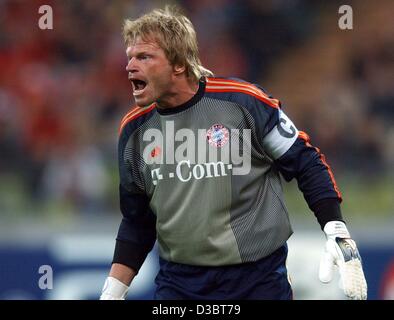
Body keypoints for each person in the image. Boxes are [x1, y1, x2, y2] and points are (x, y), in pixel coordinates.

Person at [100, 6, 367, 300]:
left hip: (256, 281)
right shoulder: (134, 131)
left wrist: (335, 228)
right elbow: (137, 221)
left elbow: (306, 162)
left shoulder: (244, 103)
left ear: (178, 64)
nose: (130, 66)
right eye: (130, 57)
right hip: (179, 285)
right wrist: (114, 290)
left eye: (144, 57)